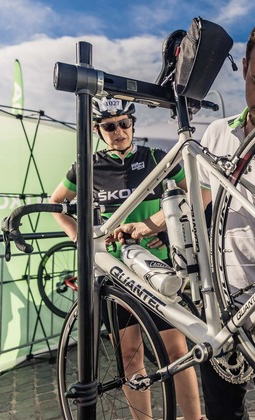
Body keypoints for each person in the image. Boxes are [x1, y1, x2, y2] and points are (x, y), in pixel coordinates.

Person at [112, 17, 255, 420]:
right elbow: (195, 198)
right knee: (222, 414)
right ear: (245, 70)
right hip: (217, 308)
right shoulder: (216, 133)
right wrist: (147, 226)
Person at [49, 96, 203, 420]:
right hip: (116, 276)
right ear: (97, 129)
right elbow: (56, 204)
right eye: (109, 126)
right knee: (131, 357)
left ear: (132, 124)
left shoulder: (154, 158)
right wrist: (80, 238)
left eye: (124, 123)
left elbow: (200, 193)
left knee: (176, 352)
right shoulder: (87, 166)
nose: (118, 131)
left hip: (157, 268)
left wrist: (157, 223)